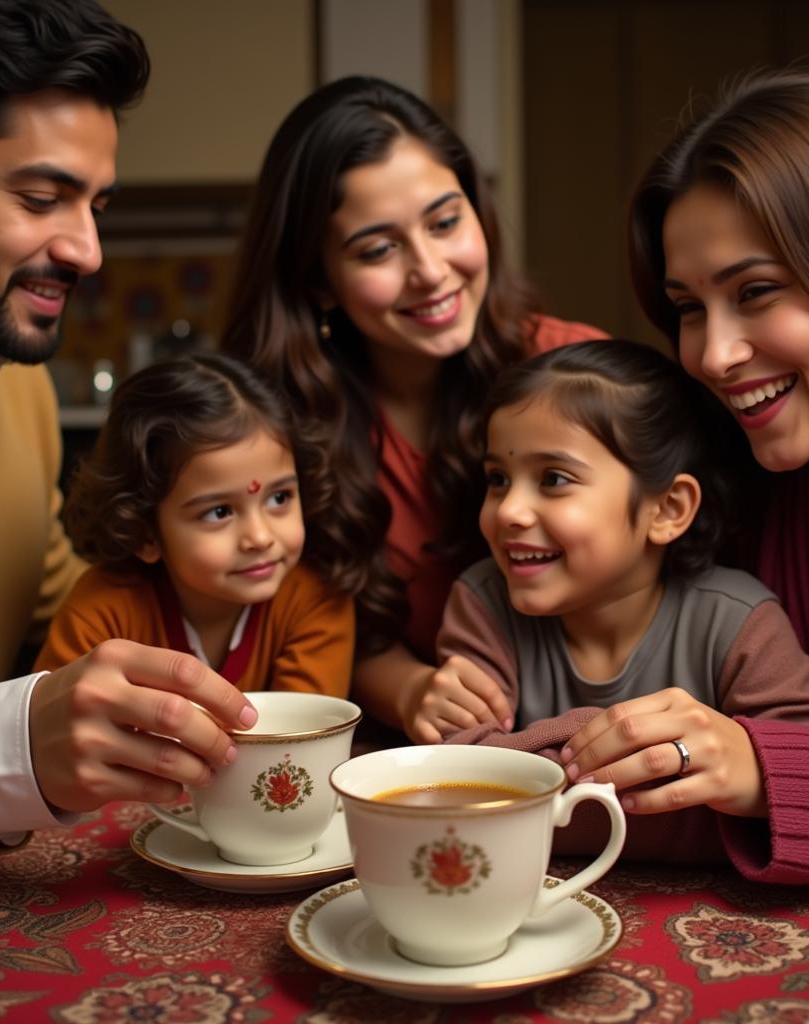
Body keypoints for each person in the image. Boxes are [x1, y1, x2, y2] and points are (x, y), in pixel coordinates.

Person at [0, 0, 255, 863]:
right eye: (43, 197)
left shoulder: (19, 392)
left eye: (95, 205)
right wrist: (10, 749)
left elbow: (58, 594)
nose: (88, 249)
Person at [565, 71, 809, 889]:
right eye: (689, 307)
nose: (714, 355)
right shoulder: (732, 501)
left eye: (756, 292)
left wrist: (765, 769)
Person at [223, 75, 606, 740]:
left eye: (445, 222)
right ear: (318, 281)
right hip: (398, 758)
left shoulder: (576, 374)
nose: (429, 269)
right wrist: (410, 688)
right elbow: (305, 615)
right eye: (378, 248)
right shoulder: (276, 428)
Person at [426, 340, 809, 861]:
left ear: (668, 510)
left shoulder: (738, 619)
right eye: (497, 479)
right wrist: (663, 765)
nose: (509, 510)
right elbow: (456, 778)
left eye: (554, 479)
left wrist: (536, 763)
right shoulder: (483, 599)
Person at [35, 353, 355, 695]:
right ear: (145, 533)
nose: (260, 538)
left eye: (279, 498)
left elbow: (301, 739)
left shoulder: (316, 600)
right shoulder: (102, 612)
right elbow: (57, 727)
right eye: (219, 512)